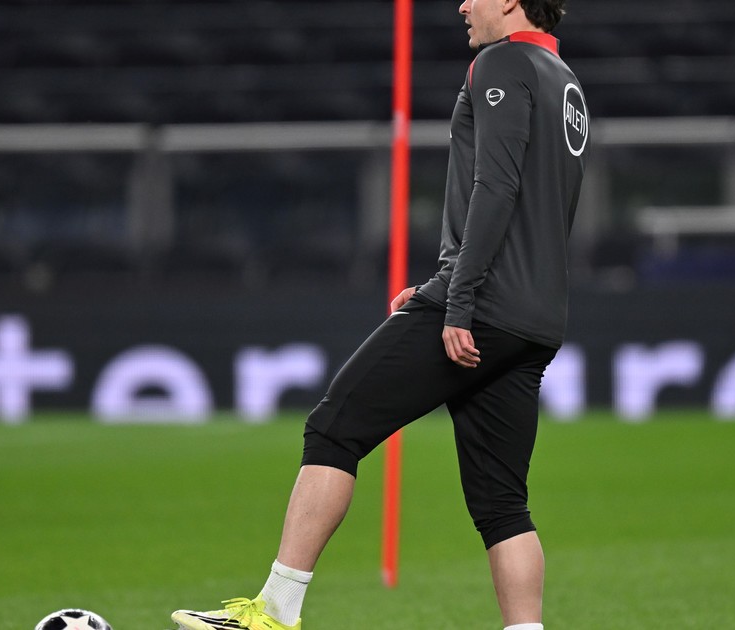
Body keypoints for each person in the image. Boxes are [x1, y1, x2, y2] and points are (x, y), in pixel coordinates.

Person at [171, 0, 589, 627]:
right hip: (537, 318)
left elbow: (497, 187)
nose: (463, 5)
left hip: (483, 305)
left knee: (334, 430)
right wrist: (450, 283)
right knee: (503, 504)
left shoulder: (501, 63)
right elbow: (541, 208)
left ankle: (276, 612)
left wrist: (458, 296)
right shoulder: (567, 83)